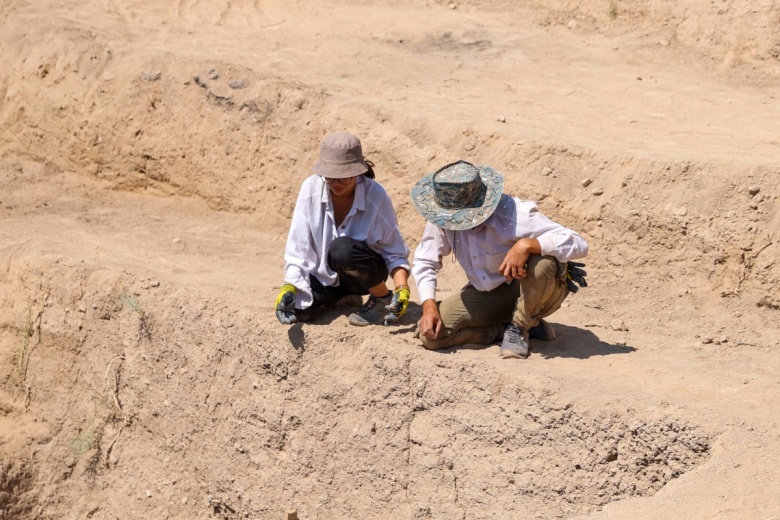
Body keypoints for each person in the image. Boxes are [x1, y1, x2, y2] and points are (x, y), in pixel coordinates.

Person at [410, 160, 589, 359]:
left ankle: (520, 327)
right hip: (487, 293)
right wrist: (429, 306)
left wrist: (527, 245)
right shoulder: (443, 216)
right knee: (432, 336)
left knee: (544, 263)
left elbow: (578, 243)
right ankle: (503, 329)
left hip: (529, 289)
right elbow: (425, 261)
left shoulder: (516, 214)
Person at [274, 131, 411, 327]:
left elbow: (395, 251)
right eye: (330, 177)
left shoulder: (376, 195)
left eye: (343, 177)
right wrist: (289, 286)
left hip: (364, 273)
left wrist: (402, 289)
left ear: (357, 172)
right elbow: (299, 247)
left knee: (341, 249)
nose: (336, 183)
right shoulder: (310, 189)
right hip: (325, 274)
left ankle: (382, 298)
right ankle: (342, 296)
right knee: (297, 310)